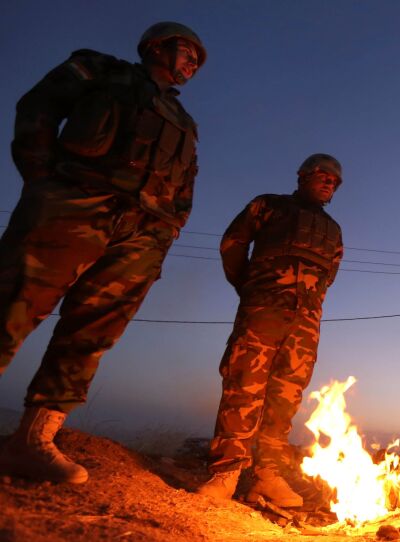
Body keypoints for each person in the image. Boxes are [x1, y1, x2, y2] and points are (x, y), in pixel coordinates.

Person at [0, 22, 205, 484]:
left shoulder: (186, 123)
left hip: (142, 235)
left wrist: (167, 232)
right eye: (186, 52)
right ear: (156, 46)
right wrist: (42, 180)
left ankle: (33, 440)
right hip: (78, 202)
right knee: (13, 300)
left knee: (91, 335)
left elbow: (186, 186)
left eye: (196, 61)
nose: (193, 64)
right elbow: (37, 106)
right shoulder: (99, 69)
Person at [196, 153, 344, 509]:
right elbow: (232, 243)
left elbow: (330, 275)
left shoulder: (333, 230)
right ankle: (226, 472)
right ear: (303, 176)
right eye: (322, 175)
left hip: (305, 323)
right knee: (244, 384)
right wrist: (249, 287)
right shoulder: (268, 206)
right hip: (263, 311)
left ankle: (266, 476)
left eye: (334, 181)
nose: (328, 182)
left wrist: (308, 307)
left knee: (286, 398)